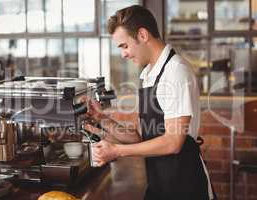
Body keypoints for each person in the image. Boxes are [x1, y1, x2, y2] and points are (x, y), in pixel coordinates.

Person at [83, 5, 216, 200]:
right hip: (160, 183)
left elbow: (173, 142)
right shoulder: (149, 74)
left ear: (143, 35)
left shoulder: (175, 72)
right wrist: (102, 119)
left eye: (125, 46)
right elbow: (140, 137)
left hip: (185, 185)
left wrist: (117, 151)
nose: (123, 54)